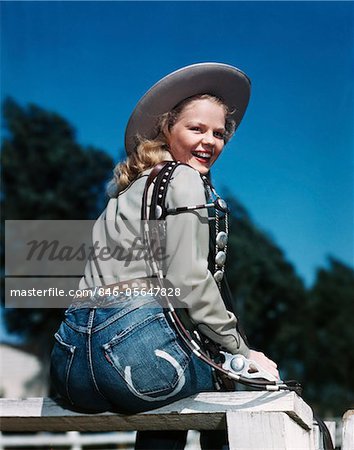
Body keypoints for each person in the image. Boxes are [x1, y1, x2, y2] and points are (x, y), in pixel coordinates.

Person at [50, 62, 279, 450]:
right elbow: (189, 279)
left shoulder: (122, 194)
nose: (211, 141)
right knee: (230, 383)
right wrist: (242, 352)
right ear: (166, 129)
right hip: (134, 352)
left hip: (72, 362)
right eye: (197, 129)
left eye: (219, 134)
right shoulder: (185, 178)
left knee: (166, 391)